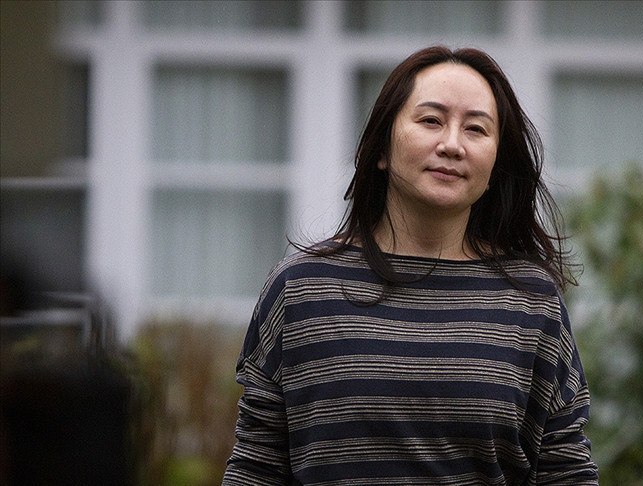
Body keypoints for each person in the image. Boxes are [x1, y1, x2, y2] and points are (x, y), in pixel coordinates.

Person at [223, 46, 599, 485]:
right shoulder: (301, 289)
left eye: (476, 129)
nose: (452, 145)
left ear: (496, 165)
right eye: (431, 120)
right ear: (382, 148)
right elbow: (256, 469)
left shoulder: (531, 301)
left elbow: (565, 472)